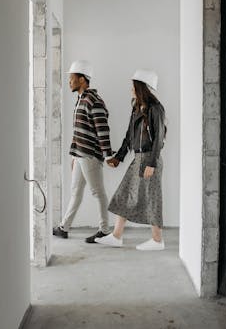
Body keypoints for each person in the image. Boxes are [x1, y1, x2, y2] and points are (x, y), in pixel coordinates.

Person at [96, 70, 166, 251]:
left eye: (133, 86)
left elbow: (158, 138)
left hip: (150, 158)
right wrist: (119, 157)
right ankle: (116, 236)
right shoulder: (136, 108)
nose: (131, 90)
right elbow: (129, 136)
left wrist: (152, 163)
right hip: (138, 158)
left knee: (152, 198)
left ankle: (157, 241)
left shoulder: (155, 108)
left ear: (140, 87)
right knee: (125, 193)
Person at [52, 60, 114, 243]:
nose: (69, 82)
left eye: (72, 79)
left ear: (82, 79)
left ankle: (104, 230)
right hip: (80, 155)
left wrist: (107, 154)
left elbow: (103, 130)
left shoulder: (93, 101)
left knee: (98, 192)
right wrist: (74, 154)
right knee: (76, 192)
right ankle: (64, 227)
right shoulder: (81, 99)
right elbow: (78, 129)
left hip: (90, 156)